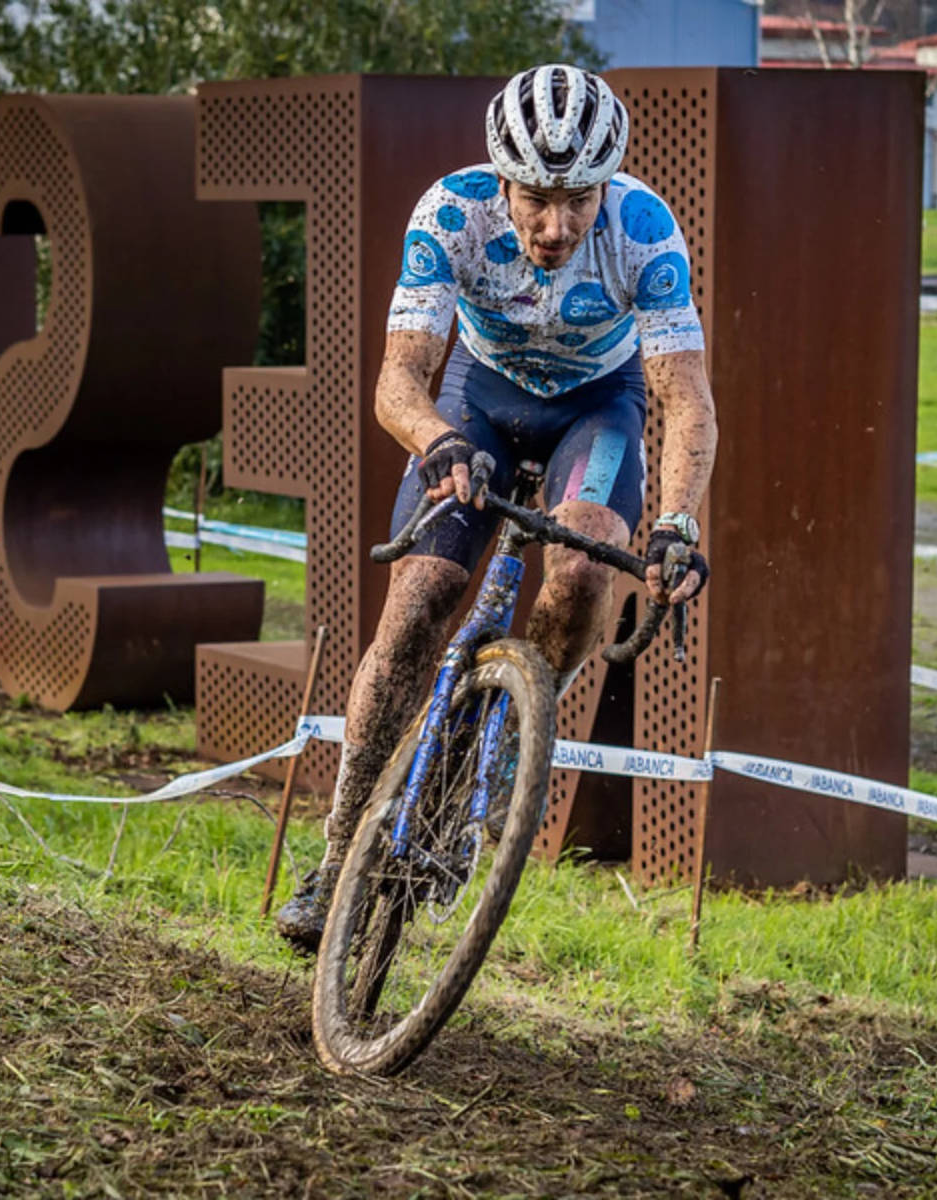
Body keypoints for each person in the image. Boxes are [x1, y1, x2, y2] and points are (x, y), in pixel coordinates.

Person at [277, 63, 717, 952]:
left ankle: (510, 731)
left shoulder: (644, 230)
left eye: (579, 200)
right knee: (415, 609)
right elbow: (399, 378)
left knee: (592, 562)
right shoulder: (452, 213)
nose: (557, 227)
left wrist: (677, 523)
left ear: (607, 187)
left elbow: (686, 400)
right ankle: (336, 855)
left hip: (596, 408)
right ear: (501, 181)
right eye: (536, 200)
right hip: (477, 402)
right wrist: (436, 441)